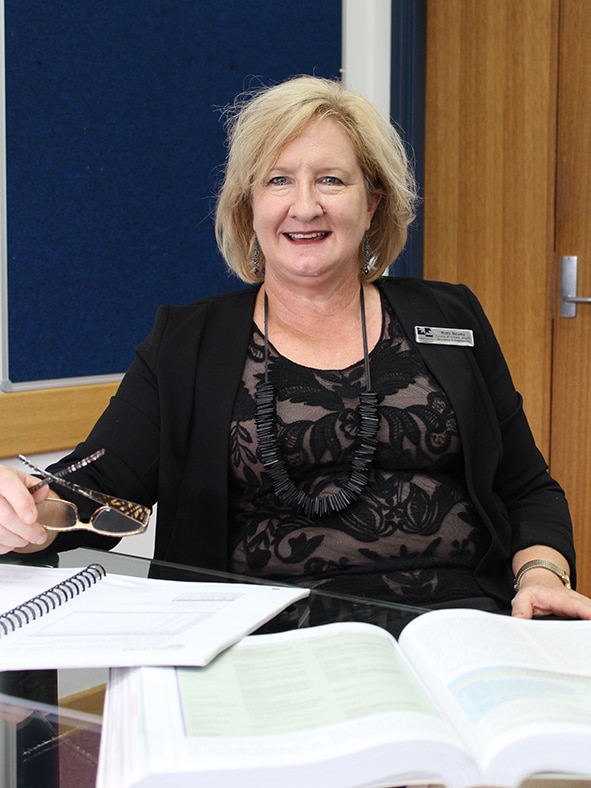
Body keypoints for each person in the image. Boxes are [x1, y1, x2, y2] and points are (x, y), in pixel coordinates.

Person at [1, 75, 590, 620]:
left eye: (331, 179)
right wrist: (27, 513)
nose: (304, 206)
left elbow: (526, 486)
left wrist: (541, 574)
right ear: (248, 206)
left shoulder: (450, 314)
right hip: (261, 641)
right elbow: (92, 487)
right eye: (278, 180)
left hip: (458, 628)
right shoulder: (186, 342)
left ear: (373, 202)